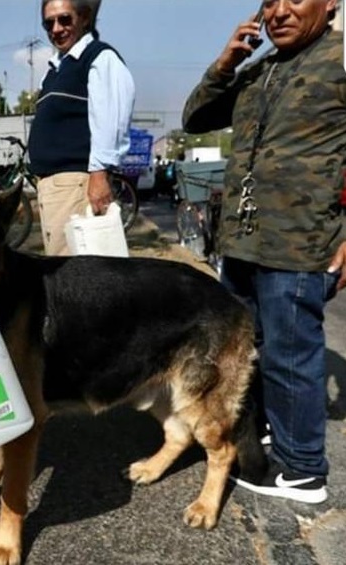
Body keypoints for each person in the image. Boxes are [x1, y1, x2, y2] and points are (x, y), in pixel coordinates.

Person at [182, 0, 346, 504]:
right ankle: (270, 433)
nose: (278, 11)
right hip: (243, 240)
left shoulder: (338, 57)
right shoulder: (261, 68)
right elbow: (195, 118)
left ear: (330, 3)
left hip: (298, 240)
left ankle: (302, 470)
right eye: (268, 2)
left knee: (292, 355)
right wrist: (226, 62)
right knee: (248, 350)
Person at [27, 0, 135, 255]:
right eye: (48, 23)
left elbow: (111, 118)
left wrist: (99, 176)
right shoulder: (56, 69)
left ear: (84, 18)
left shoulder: (98, 57)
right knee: (63, 271)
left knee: (76, 276)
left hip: (76, 184)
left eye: (64, 19)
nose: (56, 29)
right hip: (53, 187)